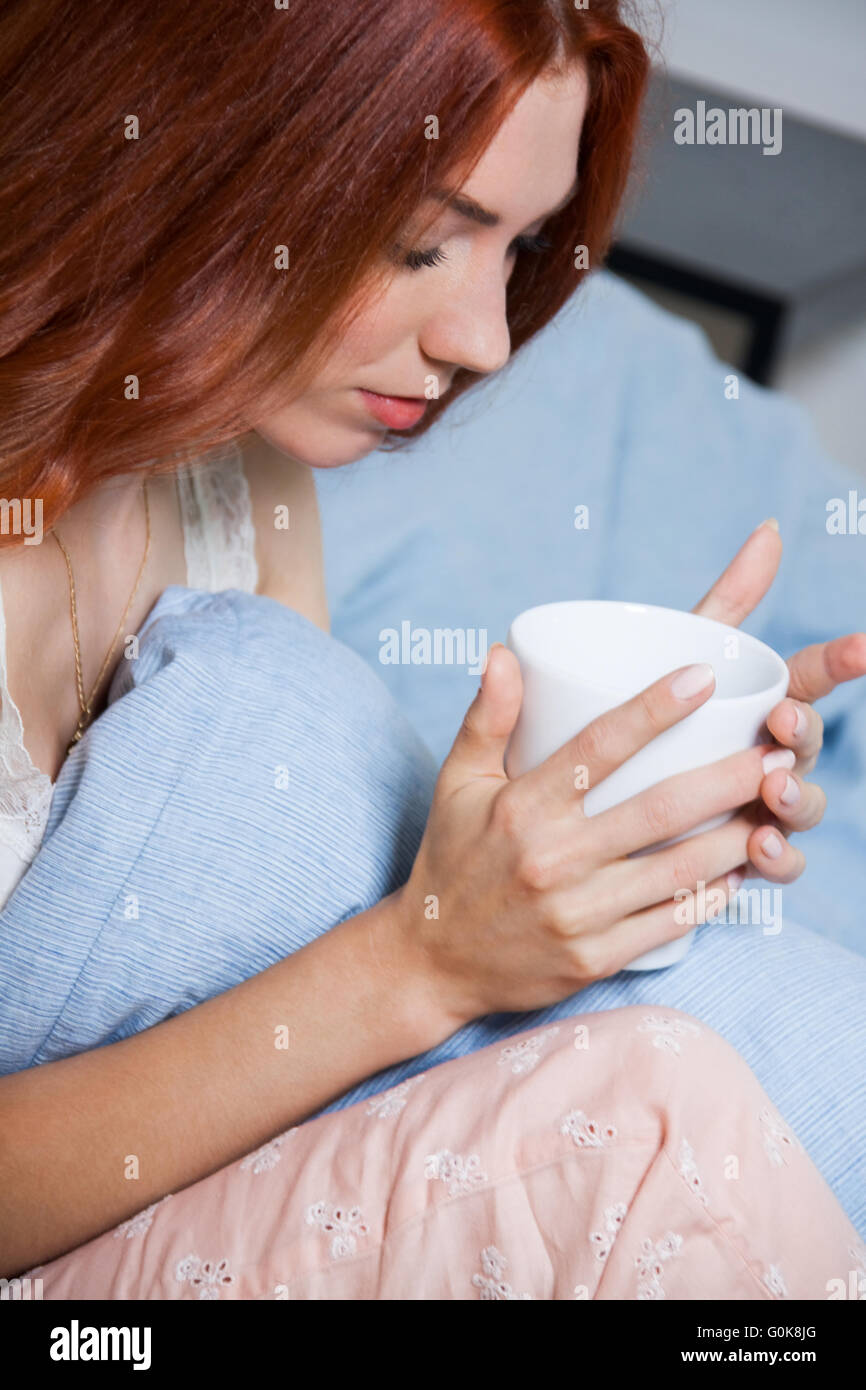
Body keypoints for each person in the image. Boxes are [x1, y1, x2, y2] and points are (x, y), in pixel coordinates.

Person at [1, 0, 863, 1294]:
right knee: (665, 1120)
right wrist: (426, 960)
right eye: (420, 247)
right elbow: (381, 962)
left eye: (513, 252)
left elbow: (293, 919)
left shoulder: (244, 491)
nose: (484, 339)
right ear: (182, 155)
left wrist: (613, 810)